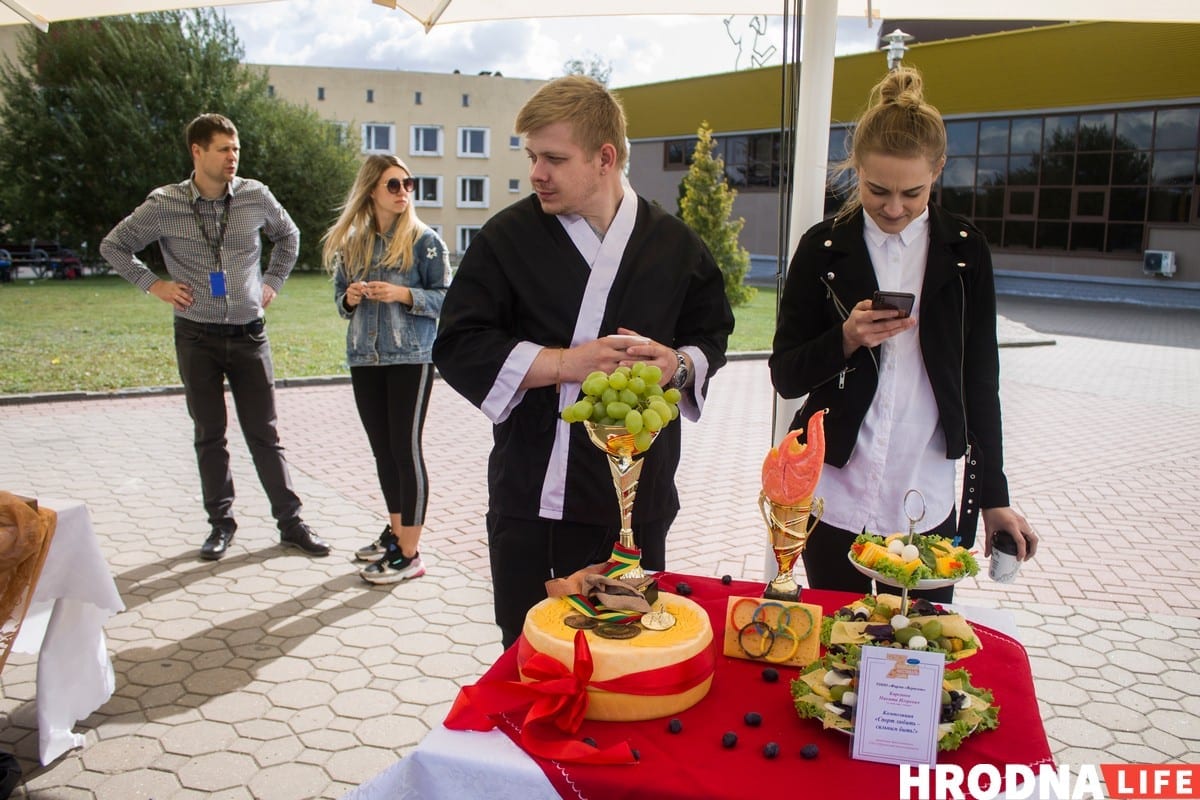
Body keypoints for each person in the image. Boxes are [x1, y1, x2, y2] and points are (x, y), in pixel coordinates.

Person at [433, 75, 735, 648]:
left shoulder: (676, 246)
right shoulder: (506, 239)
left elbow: (711, 337)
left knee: (635, 648)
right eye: (531, 156)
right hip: (535, 497)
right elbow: (457, 343)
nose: (536, 173)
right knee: (533, 655)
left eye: (553, 158)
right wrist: (568, 363)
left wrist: (678, 363)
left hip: (639, 496)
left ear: (605, 157)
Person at [769, 67, 1038, 600]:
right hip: (835, 490)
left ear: (938, 170)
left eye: (912, 192)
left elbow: (980, 378)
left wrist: (993, 496)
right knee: (839, 644)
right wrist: (845, 338)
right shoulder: (822, 249)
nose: (894, 208)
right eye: (876, 190)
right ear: (856, 170)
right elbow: (785, 373)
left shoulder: (965, 252)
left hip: (927, 491)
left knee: (920, 653)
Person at [101, 113, 329, 561]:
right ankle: (220, 525)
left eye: (236, 149)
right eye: (224, 149)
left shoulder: (254, 195)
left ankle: (291, 522)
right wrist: (155, 285)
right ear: (197, 151)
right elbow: (114, 245)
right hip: (197, 336)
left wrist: (273, 282)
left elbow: (289, 235)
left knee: (264, 432)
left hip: (249, 333)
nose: (233, 157)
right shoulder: (165, 204)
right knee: (210, 433)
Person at [322, 155, 450, 584]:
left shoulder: (424, 241)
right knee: (383, 451)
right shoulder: (352, 243)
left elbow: (446, 298)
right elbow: (340, 302)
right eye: (393, 185)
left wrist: (402, 293)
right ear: (371, 190)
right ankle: (396, 533)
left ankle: (410, 553)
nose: (403, 193)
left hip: (410, 357)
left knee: (405, 450)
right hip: (365, 357)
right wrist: (352, 298)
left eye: (407, 184)